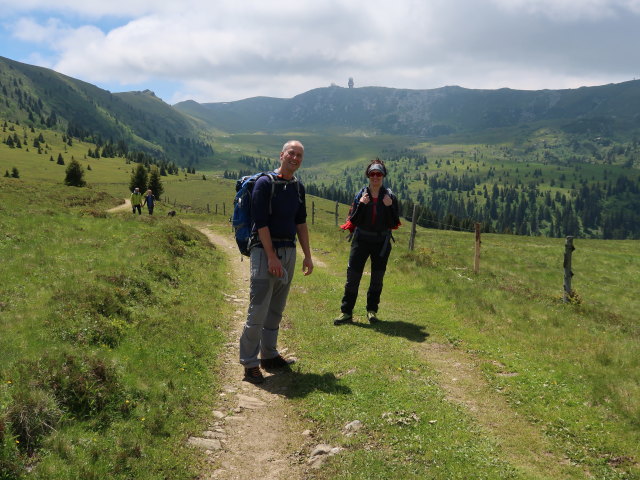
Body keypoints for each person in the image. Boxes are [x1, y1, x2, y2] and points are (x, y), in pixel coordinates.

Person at [239, 140, 314, 384]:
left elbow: (300, 223)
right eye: (291, 153)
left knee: (276, 308)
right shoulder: (264, 183)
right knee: (258, 308)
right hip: (264, 251)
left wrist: (308, 256)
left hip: (289, 250)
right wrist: (271, 256)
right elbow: (260, 222)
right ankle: (250, 364)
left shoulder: (297, 187)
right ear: (281, 155)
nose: (295, 158)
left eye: (299, 155)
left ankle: (269, 355)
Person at [333, 158, 401, 325]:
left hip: (381, 242)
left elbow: (394, 223)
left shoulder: (389, 197)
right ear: (368, 176)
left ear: (383, 176)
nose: (375, 177)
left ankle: (372, 311)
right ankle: (346, 312)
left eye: (379, 174)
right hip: (361, 240)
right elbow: (353, 220)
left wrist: (390, 206)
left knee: (377, 278)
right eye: (372, 174)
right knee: (353, 277)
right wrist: (362, 205)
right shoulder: (361, 195)